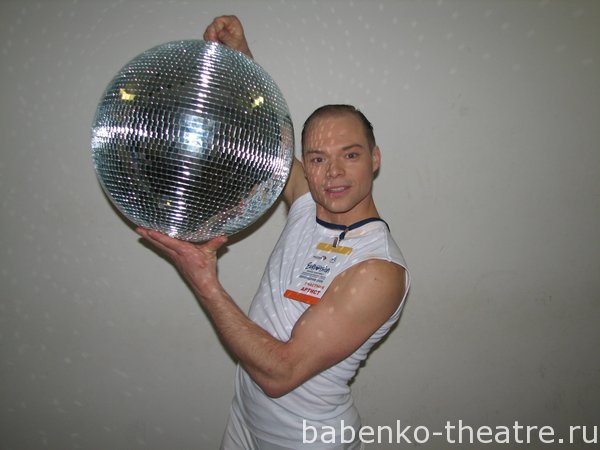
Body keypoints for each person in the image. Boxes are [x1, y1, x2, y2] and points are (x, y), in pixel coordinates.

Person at [136, 15, 410, 450]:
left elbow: (281, 373)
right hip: (247, 419)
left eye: (350, 155)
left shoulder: (378, 269)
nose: (333, 173)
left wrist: (204, 282)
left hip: (305, 438)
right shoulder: (308, 203)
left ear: (374, 159)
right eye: (317, 159)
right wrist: (242, 59)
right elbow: (270, 138)